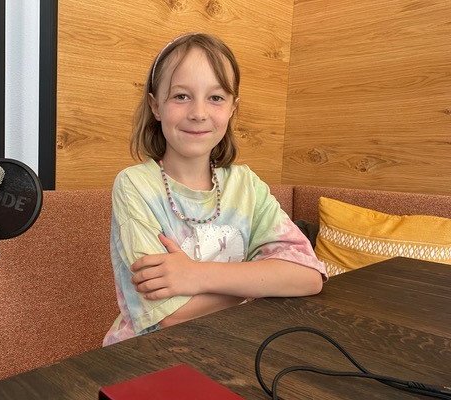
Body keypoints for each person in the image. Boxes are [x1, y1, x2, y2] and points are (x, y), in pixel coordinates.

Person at [103, 33, 326, 346]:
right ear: (156, 106)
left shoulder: (246, 185)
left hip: (233, 347)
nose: (198, 112)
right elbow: (168, 316)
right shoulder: (135, 186)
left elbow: (307, 276)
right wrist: (257, 283)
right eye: (181, 96)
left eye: (216, 98)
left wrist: (195, 274)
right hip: (148, 354)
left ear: (233, 108)